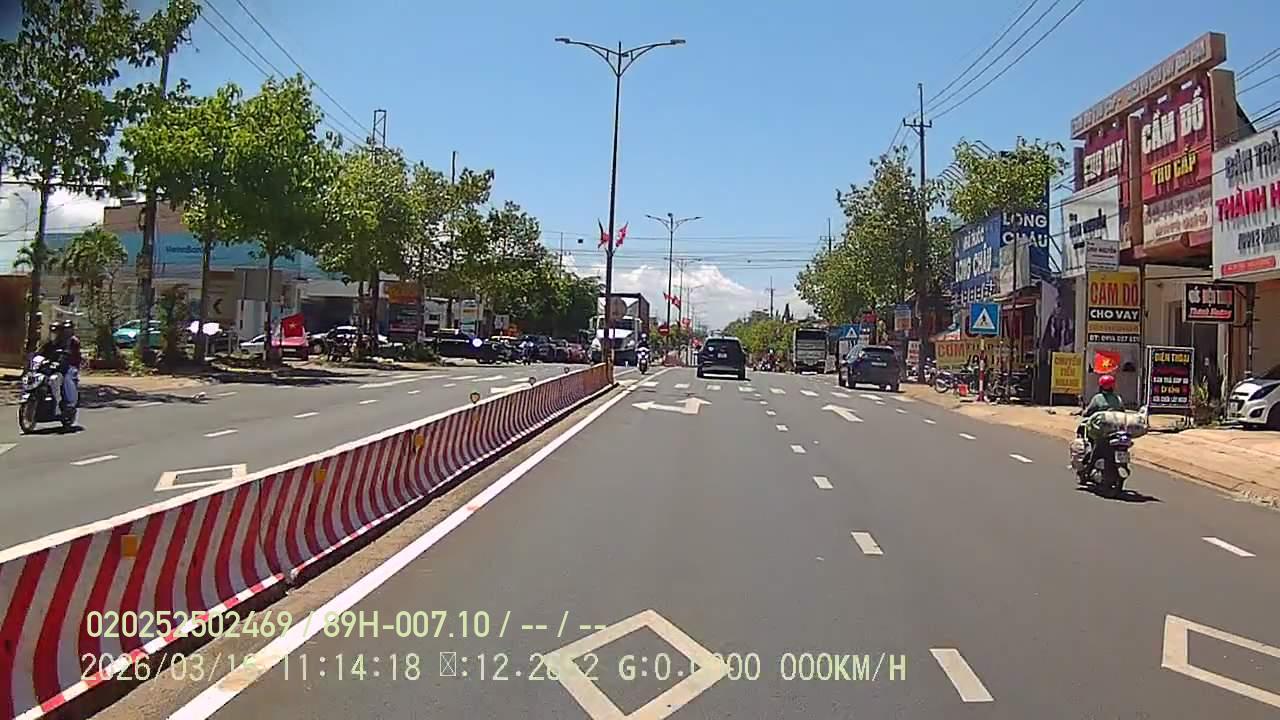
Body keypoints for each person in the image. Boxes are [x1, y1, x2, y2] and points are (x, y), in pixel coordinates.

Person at [38, 320, 82, 414]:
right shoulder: (52, 343)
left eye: (69, 329)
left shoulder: (73, 341)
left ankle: (69, 403)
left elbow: (68, 354)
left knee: (67, 379)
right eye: (53, 331)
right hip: (54, 366)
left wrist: (61, 360)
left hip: (70, 366)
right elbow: (41, 352)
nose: (67, 331)